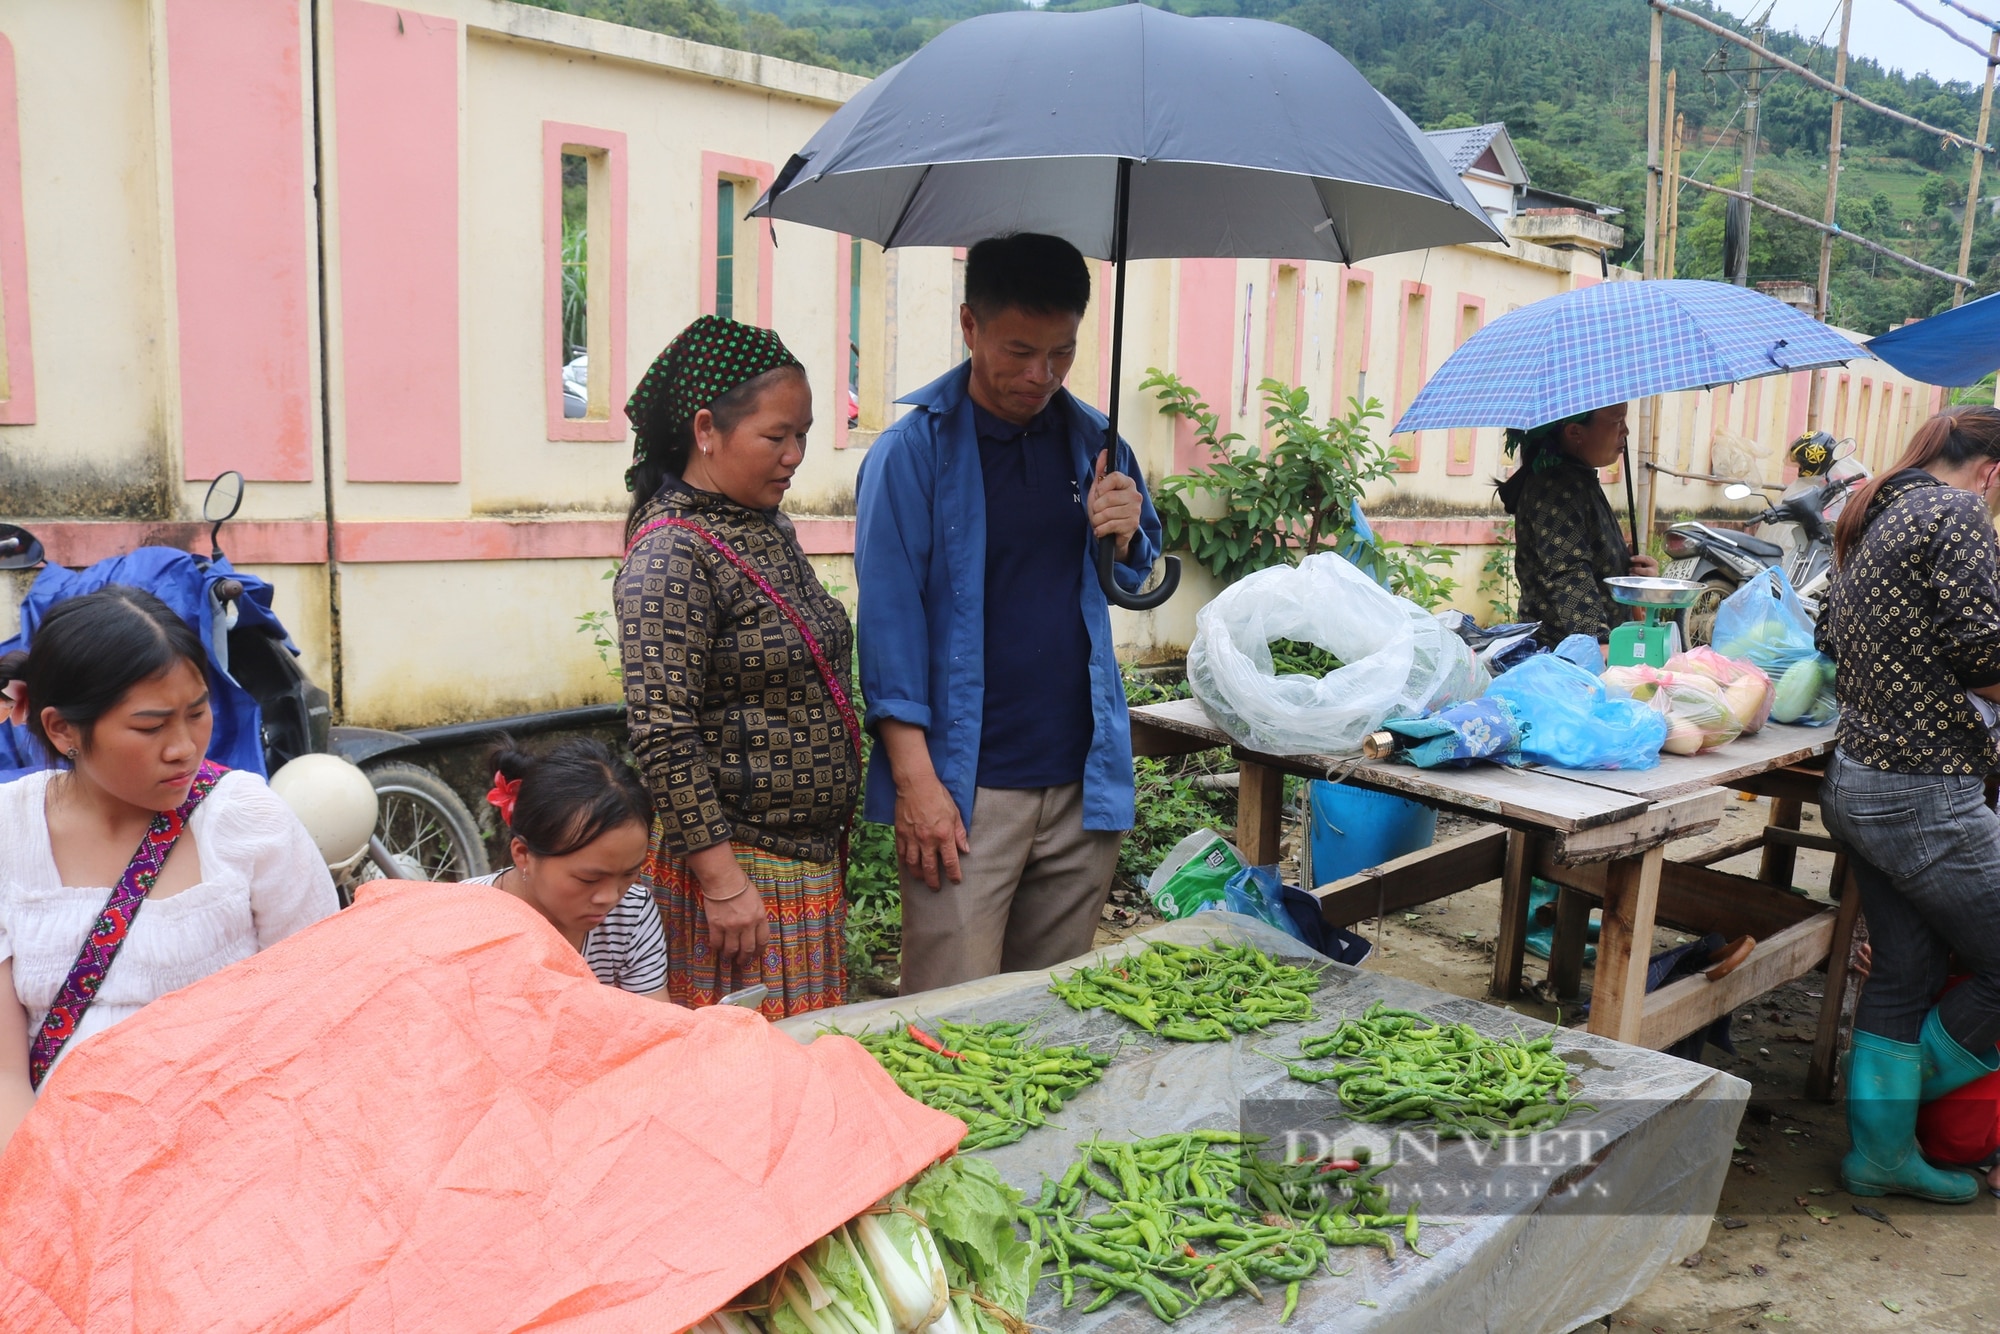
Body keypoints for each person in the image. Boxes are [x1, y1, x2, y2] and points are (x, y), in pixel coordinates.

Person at [854, 232, 1163, 995]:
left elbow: (1139, 573)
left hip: (1082, 784)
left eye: (1061, 353)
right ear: (969, 326)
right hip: (966, 793)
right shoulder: (912, 454)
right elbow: (888, 629)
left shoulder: (1097, 443)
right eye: (1019, 350)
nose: (1041, 375)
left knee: (1046, 1012)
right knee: (950, 1019)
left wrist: (1127, 531)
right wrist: (916, 786)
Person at [0, 586, 336, 1149]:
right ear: (62, 729)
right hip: (59, 1177)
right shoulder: (9, 831)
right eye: (151, 727)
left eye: (198, 713)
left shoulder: (246, 819)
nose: (183, 747)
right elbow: (6, 1074)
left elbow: (319, 1013)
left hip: (234, 1165)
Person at [618, 315, 857, 1019]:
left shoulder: (761, 525)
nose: (795, 456)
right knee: (749, 1082)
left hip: (799, 866)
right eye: (776, 437)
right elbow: (664, 732)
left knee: (801, 1068)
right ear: (705, 431)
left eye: (804, 435)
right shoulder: (672, 555)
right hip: (738, 879)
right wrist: (721, 882)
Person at [1818, 404, 2000, 1204]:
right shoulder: (1957, 511)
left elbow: (1829, 631)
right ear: (1991, 470)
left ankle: (1880, 1157)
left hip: (1860, 781)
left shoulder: (1879, 505)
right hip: (1925, 793)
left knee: (1904, 968)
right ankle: (1892, 1118)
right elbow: (1980, 652)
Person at [462, 738, 665, 998]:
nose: (610, 898)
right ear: (523, 854)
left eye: (629, 874)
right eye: (588, 879)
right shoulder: (464, 918)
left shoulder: (632, 915)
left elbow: (657, 1026)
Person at [1496, 403, 1658, 648]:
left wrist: (1632, 573)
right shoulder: (1555, 487)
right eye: (1617, 421)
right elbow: (1569, 572)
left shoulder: (1580, 480)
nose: (1625, 431)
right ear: (1575, 433)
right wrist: (1601, 645)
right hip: (1564, 658)